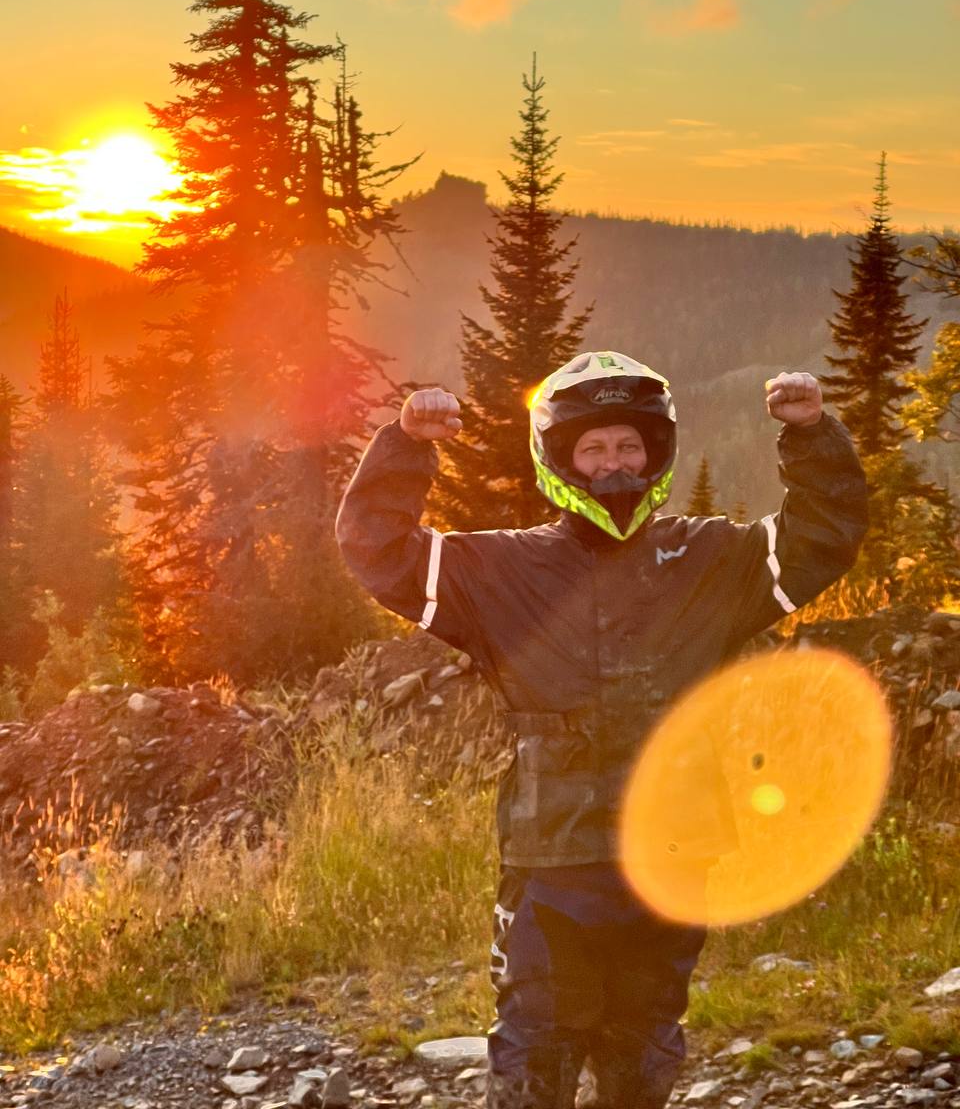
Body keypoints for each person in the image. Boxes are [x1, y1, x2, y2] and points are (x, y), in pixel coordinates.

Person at [335, 351, 868, 1109]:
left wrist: (811, 435)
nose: (613, 463)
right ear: (559, 458)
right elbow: (377, 550)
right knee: (534, 1057)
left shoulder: (712, 557)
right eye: (592, 447)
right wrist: (404, 445)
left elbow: (824, 537)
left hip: (675, 854)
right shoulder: (499, 570)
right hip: (554, 860)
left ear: (656, 453)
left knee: (643, 1053)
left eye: (628, 446)